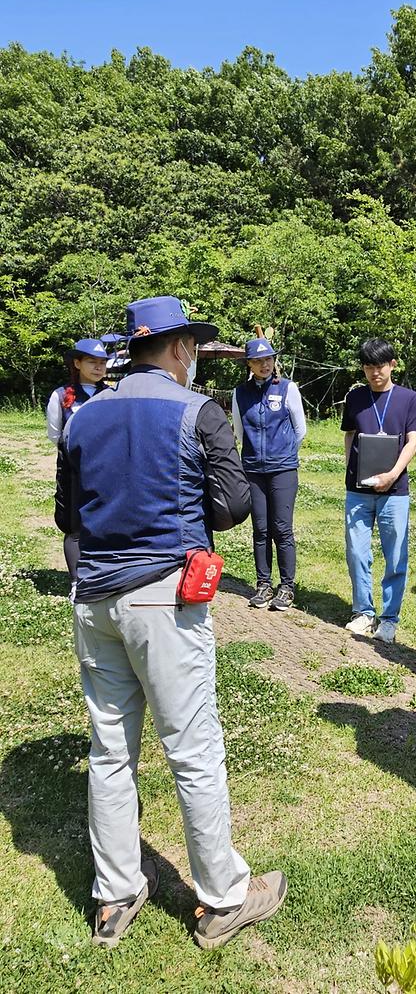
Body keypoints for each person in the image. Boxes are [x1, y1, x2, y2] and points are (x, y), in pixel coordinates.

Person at [55, 296, 287, 949]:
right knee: (193, 751)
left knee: (108, 752)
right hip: (162, 597)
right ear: (182, 349)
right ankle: (224, 898)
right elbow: (234, 504)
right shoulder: (200, 413)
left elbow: (65, 516)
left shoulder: (82, 415)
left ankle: (115, 894)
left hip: (94, 596)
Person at [341, 338, 416, 644]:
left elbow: (413, 441)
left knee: (395, 555)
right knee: (356, 552)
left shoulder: (409, 399)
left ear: (392, 364)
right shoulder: (355, 398)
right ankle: (363, 611)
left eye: (380, 366)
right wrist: (350, 469)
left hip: (395, 490)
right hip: (358, 490)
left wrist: (393, 474)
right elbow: (350, 435)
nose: (374, 372)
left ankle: (389, 618)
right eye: (368, 367)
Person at [232, 338, 307, 611]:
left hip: (283, 469)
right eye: (258, 361)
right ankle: (263, 583)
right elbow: (239, 432)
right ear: (249, 364)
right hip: (252, 469)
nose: (265, 365)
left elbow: (301, 430)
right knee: (260, 529)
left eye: (269, 359)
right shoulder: (240, 393)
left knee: (282, 528)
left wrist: (283, 454)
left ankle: (287, 587)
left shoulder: (288, 389)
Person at [46, 338, 109, 581]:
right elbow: (55, 434)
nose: (98, 368)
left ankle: (103, 575)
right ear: (77, 362)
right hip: (74, 470)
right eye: (92, 362)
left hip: (107, 470)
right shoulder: (61, 396)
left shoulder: (113, 393)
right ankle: (77, 581)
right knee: (75, 527)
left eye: (102, 363)